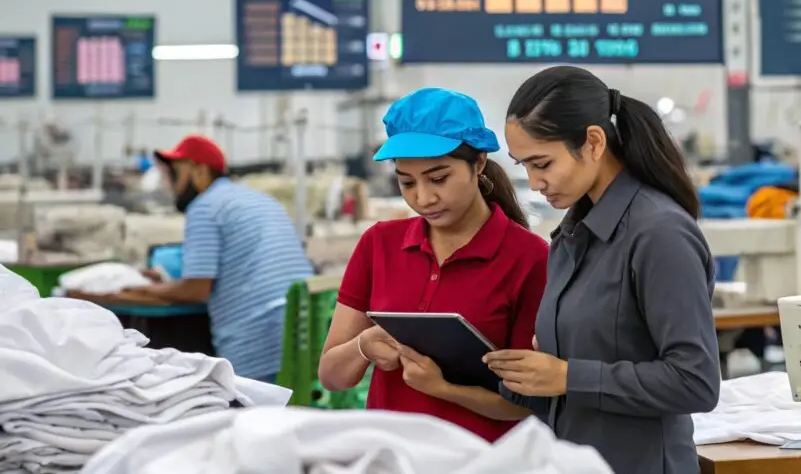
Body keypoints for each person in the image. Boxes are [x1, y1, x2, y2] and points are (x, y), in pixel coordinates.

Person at [484, 65, 720, 474]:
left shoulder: (659, 233)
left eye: (542, 163)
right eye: (523, 165)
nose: (534, 182)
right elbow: (577, 379)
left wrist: (567, 376)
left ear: (593, 142)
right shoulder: (570, 237)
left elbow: (695, 381)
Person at [318, 88, 548, 442]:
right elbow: (332, 377)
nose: (423, 198)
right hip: (390, 456)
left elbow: (526, 402)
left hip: (481, 461)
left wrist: (442, 389)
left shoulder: (529, 258)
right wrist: (364, 344)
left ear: (479, 163)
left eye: (439, 178)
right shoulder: (379, 244)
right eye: (406, 182)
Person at [117, 135, 313, 382]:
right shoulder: (259, 199)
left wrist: (142, 291)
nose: (169, 184)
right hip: (305, 334)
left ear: (200, 172)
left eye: (175, 172)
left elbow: (196, 290)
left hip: (258, 345)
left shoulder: (204, 207)